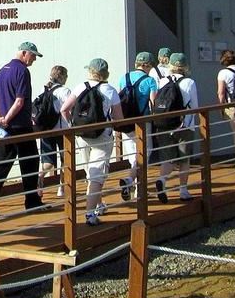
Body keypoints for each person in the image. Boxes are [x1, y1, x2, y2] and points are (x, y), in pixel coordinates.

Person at [58, 59, 124, 226]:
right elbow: (119, 119)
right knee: (97, 175)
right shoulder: (110, 90)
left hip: (82, 135)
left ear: (90, 71)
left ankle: (99, 204)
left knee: (91, 171)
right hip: (102, 135)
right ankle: (90, 214)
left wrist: (73, 126)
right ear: (105, 73)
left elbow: (64, 109)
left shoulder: (80, 87)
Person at [0, 42, 45, 216]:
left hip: (3, 128)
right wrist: (7, 119)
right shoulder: (23, 71)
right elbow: (20, 101)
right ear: (24, 53)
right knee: (30, 162)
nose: (33, 59)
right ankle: (32, 202)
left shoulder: (3, 69)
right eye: (33, 56)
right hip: (20, 126)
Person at [154, 53, 200, 202]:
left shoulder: (162, 81)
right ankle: (183, 190)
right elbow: (195, 107)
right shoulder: (189, 82)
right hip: (184, 125)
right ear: (185, 66)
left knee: (167, 158)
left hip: (164, 124)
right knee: (184, 158)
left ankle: (162, 179)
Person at [117, 52, 158, 202]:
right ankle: (134, 185)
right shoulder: (150, 80)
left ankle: (133, 185)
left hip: (127, 121)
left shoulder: (124, 77)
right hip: (143, 120)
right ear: (148, 65)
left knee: (132, 154)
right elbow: (153, 102)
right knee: (145, 153)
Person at [35, 66, 70, 198]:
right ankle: (62, 188)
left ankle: (40, 178)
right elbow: (68, 109)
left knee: (47, 161)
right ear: (62, 77)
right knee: (65, 159)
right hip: (63, 130)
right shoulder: (65, 91)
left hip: (46, 129)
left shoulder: (45, 89)